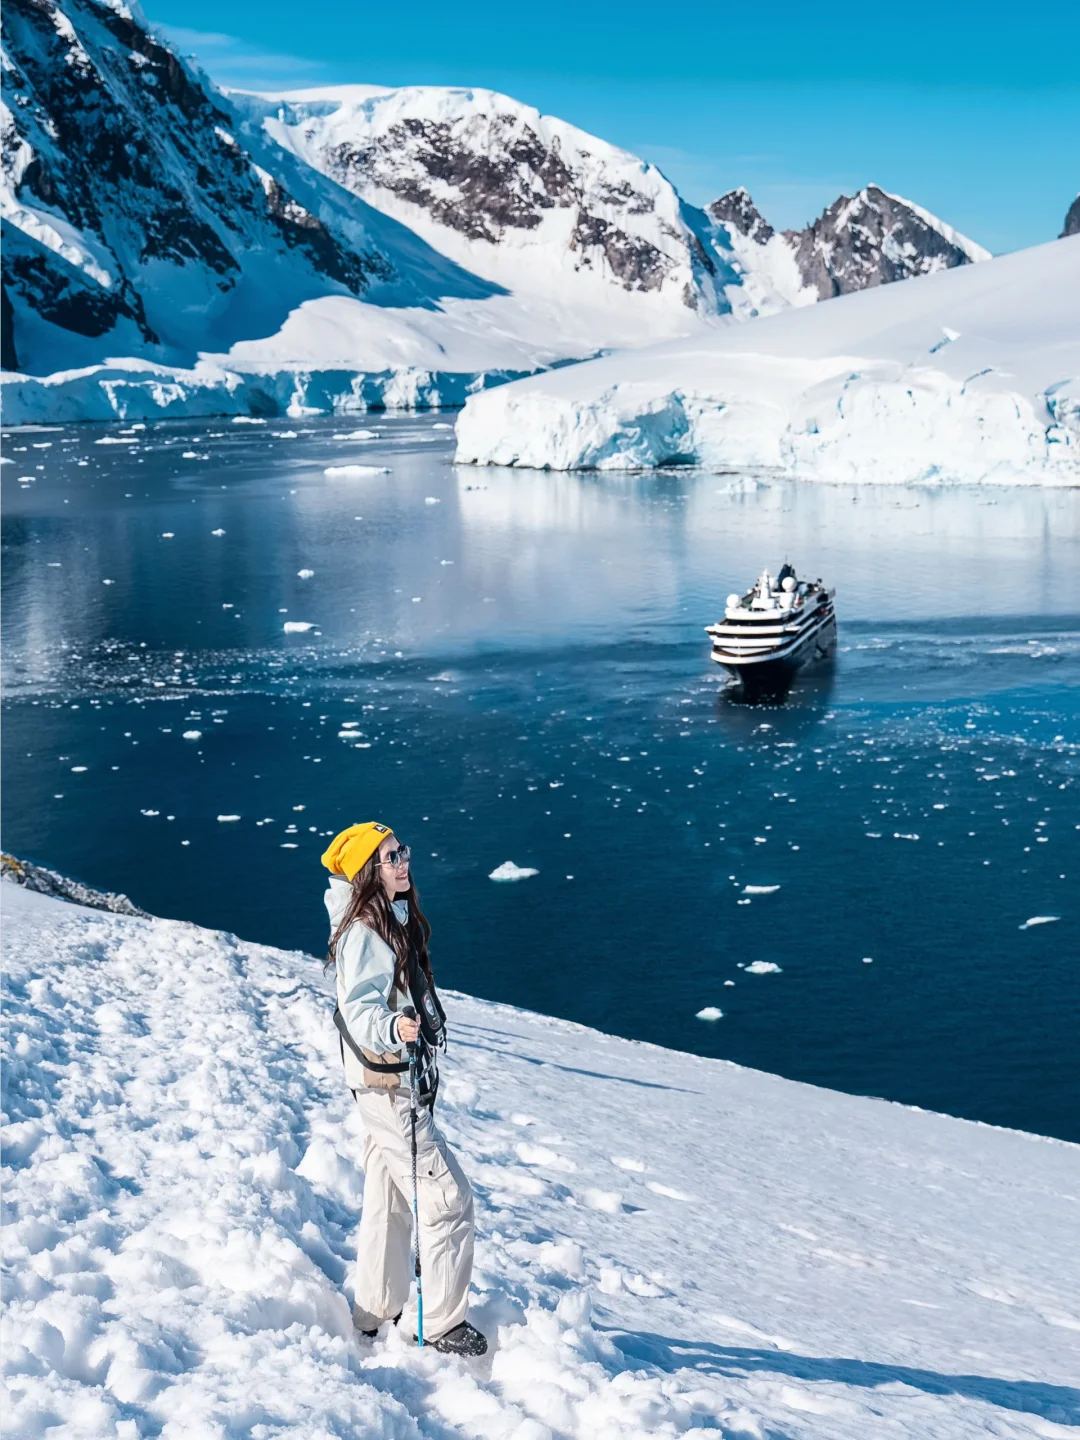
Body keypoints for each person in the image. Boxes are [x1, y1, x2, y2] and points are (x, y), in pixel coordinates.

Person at [322, 821, 487, 1357]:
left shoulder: (381, 918)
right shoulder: (366, 932)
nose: (403, 862)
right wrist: (395, 1027)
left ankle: (375, 1309)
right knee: (448, 1198)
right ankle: (440, 1324)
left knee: (389, 1197)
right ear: (368, 872)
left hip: (380, 1085)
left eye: (402, 851)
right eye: (391, 857)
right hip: (390, 1086)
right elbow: (359, 1009)